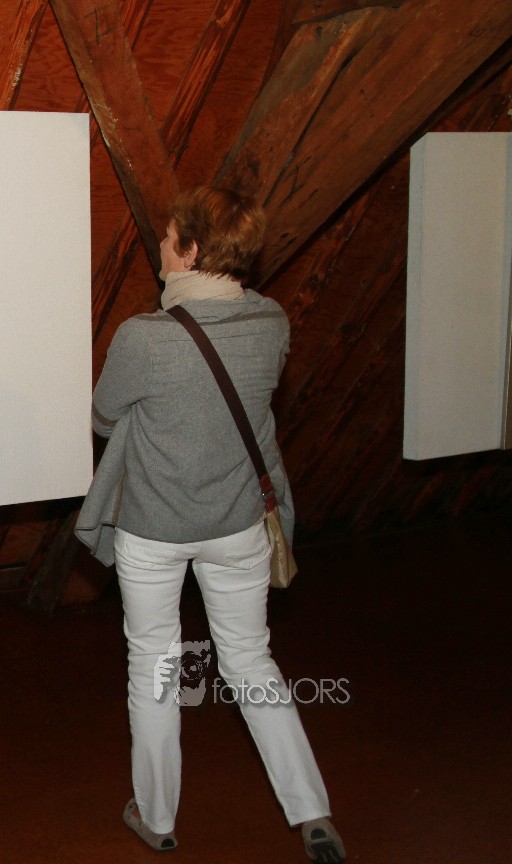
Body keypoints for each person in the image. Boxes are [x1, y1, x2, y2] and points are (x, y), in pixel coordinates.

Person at [75, 186, 346, 862]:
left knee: (156, 667)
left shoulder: (144, 337)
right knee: (252, 661)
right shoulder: (272, 322)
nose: (160, 255)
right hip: (238, 526)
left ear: (192, 251)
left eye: (169, 241)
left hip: (153, 532)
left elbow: (103, 418)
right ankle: (312, 813)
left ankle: (157, 817)